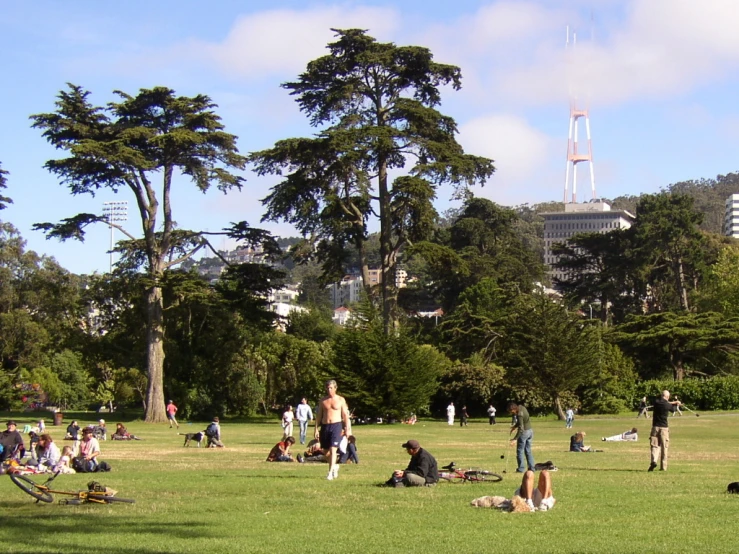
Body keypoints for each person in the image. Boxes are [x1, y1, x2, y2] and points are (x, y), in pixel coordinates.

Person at [315, 379, 352, 480]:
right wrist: (316, 429)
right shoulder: (323, 401)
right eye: (327, 388)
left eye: (331, 388)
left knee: (333, 449)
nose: (329, 390)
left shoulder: (340, 400)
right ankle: (335, 466)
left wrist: (347, 429)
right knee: (326, 451)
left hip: (336, 426)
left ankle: (330, 472)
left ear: (335, 388)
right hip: (325, 426)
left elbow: (345, 415)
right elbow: (319, 416)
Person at [470, 470, 556, 513]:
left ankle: (543, 502)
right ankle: (529, 501)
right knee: (529, 473)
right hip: (525, 499)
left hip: (542, 500)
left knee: (545, 473)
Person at [649, 390, 681, 472]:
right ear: (667, 396)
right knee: (664, 447)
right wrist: (677, 403)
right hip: (664, 428)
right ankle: (663, 467)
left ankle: (654, 461)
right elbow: (673, 409)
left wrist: (674, 402)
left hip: (655, 427)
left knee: (654, 445)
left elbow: (665, 402)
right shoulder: (667, 405)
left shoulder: (656, 402)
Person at [508, 402, 535, 473]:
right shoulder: (522, 407)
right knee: (528, 450)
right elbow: (521, 422)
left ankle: (521, 469)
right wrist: (514, 427)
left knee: (520, 451)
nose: (511, 413)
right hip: (530, 431)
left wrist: (515, 439)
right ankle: (532, 468)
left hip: (524, 432)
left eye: (511, 411)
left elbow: (521, 428)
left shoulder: (519, 414)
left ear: (513, 409)